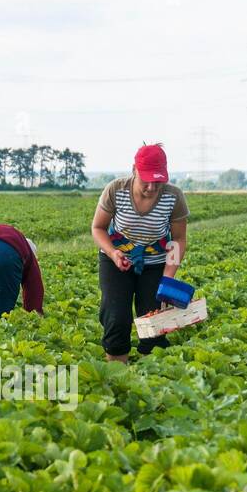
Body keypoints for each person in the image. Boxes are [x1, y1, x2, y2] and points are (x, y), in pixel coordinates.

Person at [91, 143, 189, 363]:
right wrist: (113, 253)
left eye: (158, 181)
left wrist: (168, 276)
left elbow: (179, 239)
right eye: (147, 180)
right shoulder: (116, 190)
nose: (152, 187)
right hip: (117, 260)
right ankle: (117, 370)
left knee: (153, 319)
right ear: (134, 170)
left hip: (155, 263)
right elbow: (98, 228)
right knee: (116, 316)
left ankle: (152, 373)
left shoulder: (174, 197)